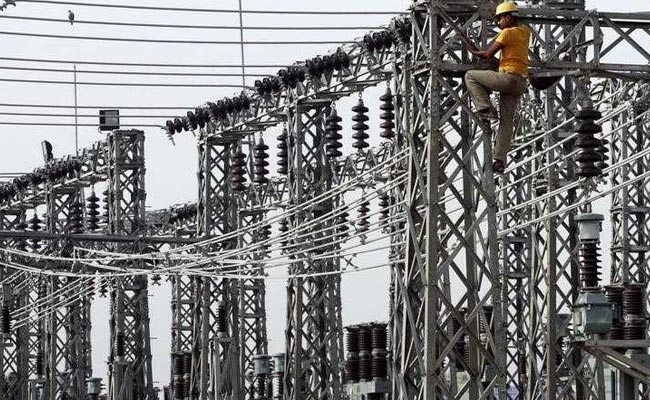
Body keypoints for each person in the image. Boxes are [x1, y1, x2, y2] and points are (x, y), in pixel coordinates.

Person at [463, 2, 530, 174]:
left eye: (499, 19)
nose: (498, 23)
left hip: (508, 79)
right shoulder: (525, 32)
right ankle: (499, 160)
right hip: (520, 83)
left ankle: (486, 108)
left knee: (470, 76)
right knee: (506, 122)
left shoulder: (507, 33)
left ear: (508, 17)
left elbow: (488, 54)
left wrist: (473, 51)